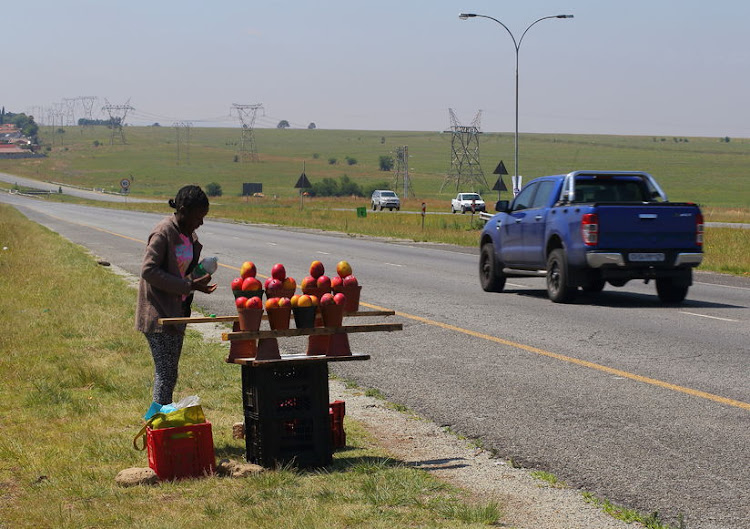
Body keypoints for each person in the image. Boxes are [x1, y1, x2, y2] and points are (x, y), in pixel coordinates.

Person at [135, 185, 217, 420]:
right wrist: (188, 285)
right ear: (182, 210)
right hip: (158, 314)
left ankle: (160, 424)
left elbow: (183, 274)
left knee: (169, 373)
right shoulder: (163, 233)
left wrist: (196, 279)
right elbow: (148, 271)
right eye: (198, 217)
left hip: (177, 311)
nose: (200, 223)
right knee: (166, 373)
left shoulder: (188, 235)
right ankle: (157, 425)